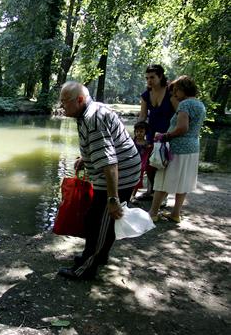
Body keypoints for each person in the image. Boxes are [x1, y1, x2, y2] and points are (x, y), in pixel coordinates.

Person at [57, 82, 141, 280]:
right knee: (98, 218)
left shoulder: (92, 119)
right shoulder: (88, 111)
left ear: (79, 100)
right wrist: (85, 159)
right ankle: (98, 256)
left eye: (65, 102)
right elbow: (104, 146)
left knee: (99, 222)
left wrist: (113, 199)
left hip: (119, 176)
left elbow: (110, 163)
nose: (62, 106)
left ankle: (87, 269)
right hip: (124, 170)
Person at [148, 76, 206, 223]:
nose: (174, 94)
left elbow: (182, 128)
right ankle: (175, 213)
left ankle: (153, 213)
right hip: (193, 148)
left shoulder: (185, 104)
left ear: (183, 89)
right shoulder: (200, 105)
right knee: (184, 180)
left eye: (175, 91)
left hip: (178, 148)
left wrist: (165, 135)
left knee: (163, 179)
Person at [137, 64, 176, 199]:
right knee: (149, 164)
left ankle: (162, 196)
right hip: (151, 133)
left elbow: (178, 113)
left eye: (152, 77)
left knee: (164, 164)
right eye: (147, 78)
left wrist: (174, 133)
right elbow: (143, 116)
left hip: (168, 133)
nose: (149, 80)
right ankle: (150, 192)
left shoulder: (170, 92)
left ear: (160, 76)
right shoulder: (146, 95)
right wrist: (137, 134)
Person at [131, 121, 153, 201]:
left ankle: (133, 195)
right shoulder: (132, 142)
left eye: (141, 131)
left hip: (141, 165)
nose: (139, 133)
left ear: (145, 132)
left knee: (138, 180)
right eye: (137, 131)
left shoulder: (147, 144)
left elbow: (148, 155)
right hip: (131, 163)